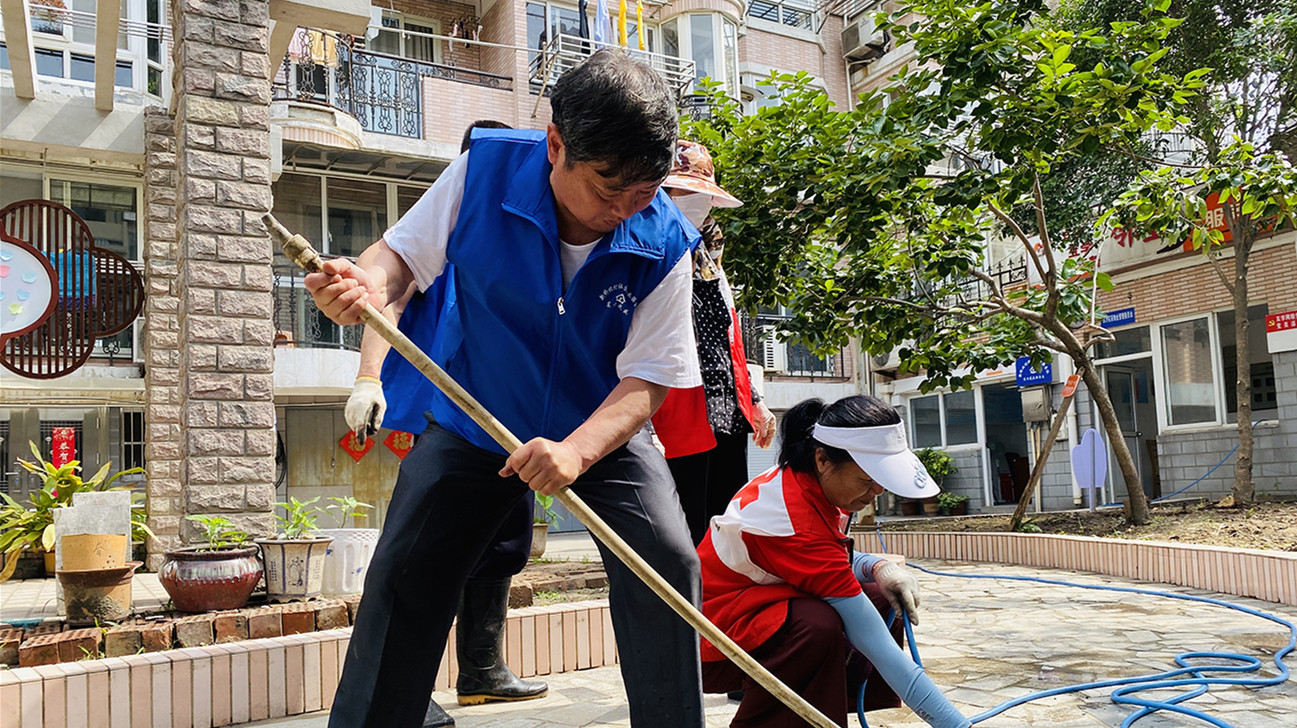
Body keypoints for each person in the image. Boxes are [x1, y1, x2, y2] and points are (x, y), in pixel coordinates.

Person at [305, 50, 706, 728]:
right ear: (556, 145)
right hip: (472, 421)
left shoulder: (665, 238)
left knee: (664, 565)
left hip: (600, 431)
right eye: (609, 190)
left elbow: (648, 380)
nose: (623, 210)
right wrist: (367, 288)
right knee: (403, 578)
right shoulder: (483, 171)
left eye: (643, 192)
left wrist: (577, 452)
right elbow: (398, 262)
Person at [342, 120, 547, 728]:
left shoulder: (517, 233)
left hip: (501, 415)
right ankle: (411, 693)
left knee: (504, 539)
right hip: (436, 413)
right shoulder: (439, 226)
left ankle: (481, 668)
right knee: (424, 549)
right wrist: (367, 378)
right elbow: (388, 298)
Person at [697, 395, 971, 728]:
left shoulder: (809, 481)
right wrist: (955, 724)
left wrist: (876, 567)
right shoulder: (791, 520)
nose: (875, 494)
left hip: (755, 607)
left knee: (881, 597)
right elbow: (876, 643)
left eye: (881, 483)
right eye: (867, 481)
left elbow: (826, 558)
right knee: (816, 625)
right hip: (716, 637)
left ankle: (822, 706)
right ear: (824, 459)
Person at [651, 139, 777, 546]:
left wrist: (754, 400)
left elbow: (728, 336)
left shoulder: (710, 252)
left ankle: (720, 609)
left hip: (723, 401)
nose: (698, 203)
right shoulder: (645, 245)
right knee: (681, 527)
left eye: (703, 195)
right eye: (687, 192)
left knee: (725, 522)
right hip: (674, 403)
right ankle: (685, 608)